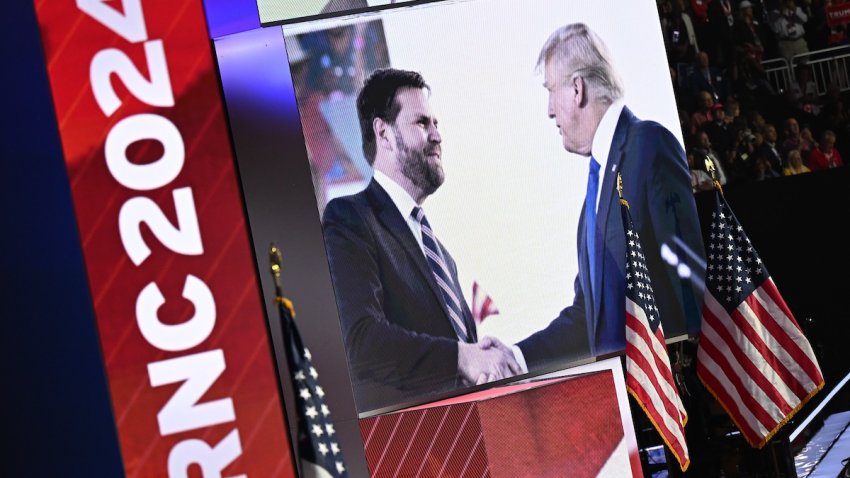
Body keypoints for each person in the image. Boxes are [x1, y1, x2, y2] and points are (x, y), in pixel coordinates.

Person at [507, 23, 706, 369]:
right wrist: (516, 358)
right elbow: (587, 319)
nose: (549, 111)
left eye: (550, 91)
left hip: (671, 396)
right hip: (628, 398)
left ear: (576, 89)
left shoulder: (647, 143)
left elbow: (685, 270)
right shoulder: (592, 203)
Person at [321, 68, 520, 411]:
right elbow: (361, 341)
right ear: (383, 134)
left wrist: (487, 362)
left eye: (436, 123)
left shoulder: (443, 257)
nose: (437, 135)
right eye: (422, 123)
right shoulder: (350, 219)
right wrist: (461, 358)